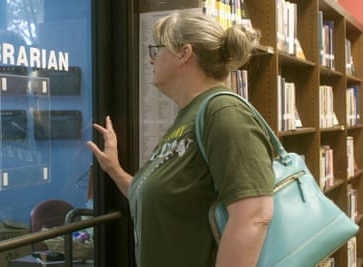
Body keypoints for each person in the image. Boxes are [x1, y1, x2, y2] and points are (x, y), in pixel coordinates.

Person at [87, 11, 275, 267]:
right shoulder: (187, 117)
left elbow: (254, 215)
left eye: (156, 50)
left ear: (184, 53)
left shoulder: (223, 112)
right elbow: (156, 198)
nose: (151, 60)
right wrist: (114, 169)